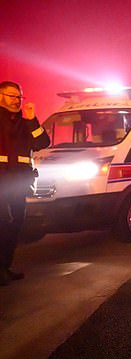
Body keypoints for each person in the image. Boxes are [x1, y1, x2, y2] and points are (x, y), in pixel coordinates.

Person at [0, 81, 51, 285]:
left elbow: (42, 143)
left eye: (19, 97)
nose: (16, 100)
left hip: (19, 185)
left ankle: (5, 267)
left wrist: (32, 121)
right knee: (3, 224)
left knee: (15, 225)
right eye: (12, 96)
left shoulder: (24, 123)